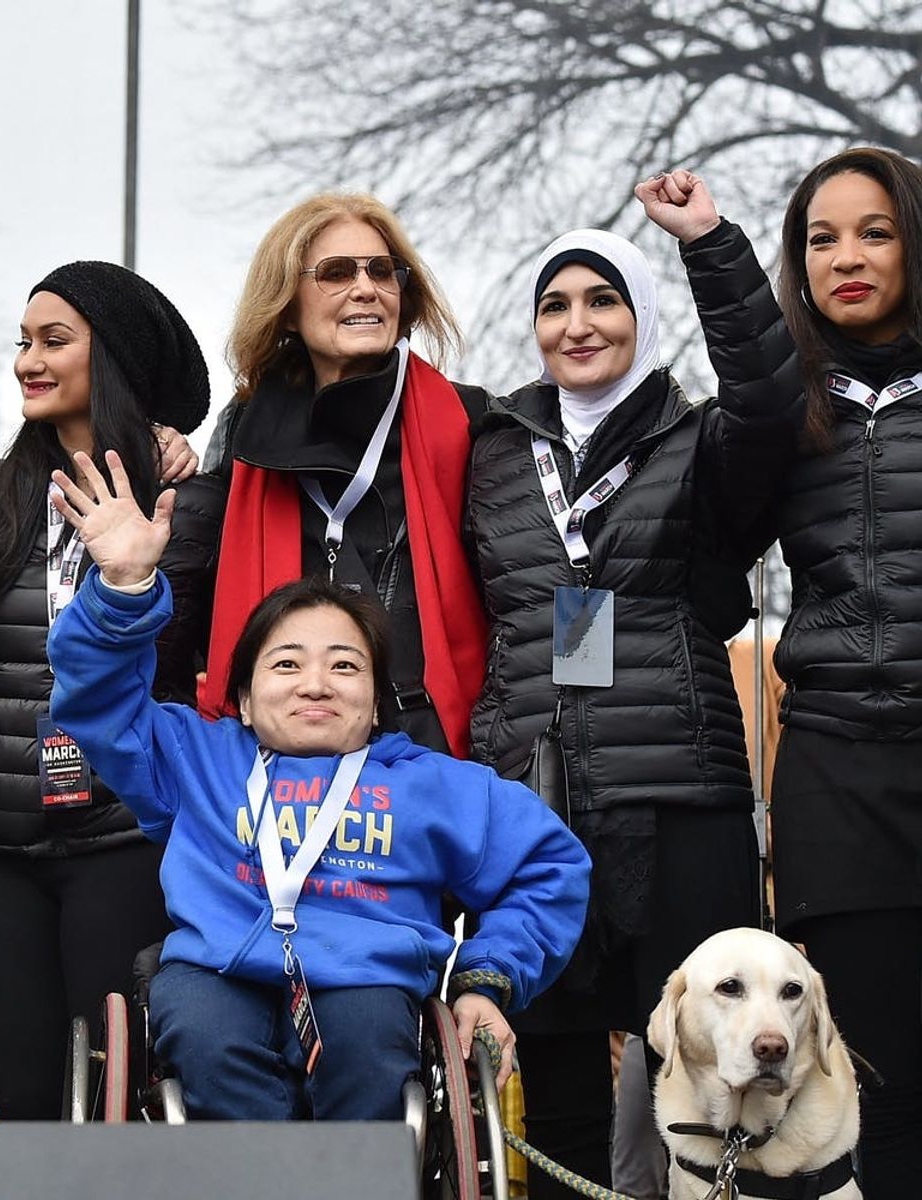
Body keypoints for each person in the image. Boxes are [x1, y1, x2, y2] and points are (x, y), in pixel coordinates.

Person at [44, 448, 591, 1120]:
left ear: (376, 702)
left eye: (345, 666)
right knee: (202, 1032)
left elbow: (549, 865)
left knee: (368, 1037)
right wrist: (124, 589)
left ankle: (351, 1171)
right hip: (218, 970)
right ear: (244, 700)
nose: (315, 684)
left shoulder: (432, 785)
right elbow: (97, 705)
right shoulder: (196, 757)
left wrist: (488, 976)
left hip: (367, 978)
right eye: (286, 664)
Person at [464, 173, 802, 1194]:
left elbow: (771, 398)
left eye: (603, 300)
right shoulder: (491, 449)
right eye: (555, 305)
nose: (577, 325)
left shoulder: (701, 439)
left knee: (703, 1073)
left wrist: (710, 244)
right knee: (556, 1070)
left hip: (679, 795)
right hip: (535, 801)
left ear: (641, 315)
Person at [0, 261, 223, 1120]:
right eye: (23, 341)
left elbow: (199, 661)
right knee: (22, 1100)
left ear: (114, 360)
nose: (28, 360)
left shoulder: (185, 502)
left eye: (54, 341)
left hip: (125, 838)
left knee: (117, 1095)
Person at [202, 192, 488, 758]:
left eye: (382, 270)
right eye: (336, 272)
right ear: (286, 304)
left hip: (438, 749)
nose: (366, 288)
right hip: (292, 752)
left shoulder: (468, 418)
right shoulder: (244, 431)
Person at [768, 146, 922, 1197]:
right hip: (834, 771)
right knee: (880, 1091)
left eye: (875, 232)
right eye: (822, 240)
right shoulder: (779, 404)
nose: (848, 257)